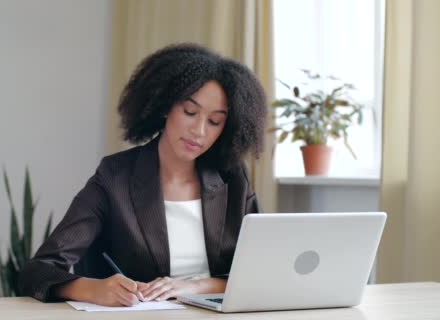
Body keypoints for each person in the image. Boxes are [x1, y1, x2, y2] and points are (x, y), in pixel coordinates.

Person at [18, 43, 267, 307]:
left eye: (215, 121)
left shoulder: (233, 178)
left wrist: (194, 285)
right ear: (165, 106)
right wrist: (92, 289)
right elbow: (37, 271)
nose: (199, 130)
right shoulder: (115, 177)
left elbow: (261, 272)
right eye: (190, 112)